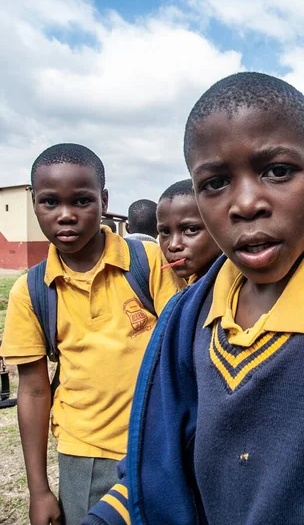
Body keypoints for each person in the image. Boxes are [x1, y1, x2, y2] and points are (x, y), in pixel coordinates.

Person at [82, 72, 304, 525]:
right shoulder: (189, 319)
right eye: (215, 183)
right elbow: (160, 465)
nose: (246, 203)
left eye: (278, 171)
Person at [0, 143, 183, 525]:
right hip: (86, 454)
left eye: (82, 201)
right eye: (50, 202)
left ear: (103, 200)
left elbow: (180, 347)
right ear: (35, 204)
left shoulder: (146, 262)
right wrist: (38, 490)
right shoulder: (31, 291)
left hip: (160, 442)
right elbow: (33, 391)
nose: (66, 216)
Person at [157, 178, 221, 282]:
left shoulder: (245, 292)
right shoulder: (192, 292)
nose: (173, 245)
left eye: (191, 230)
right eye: (166, 232)